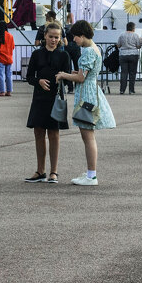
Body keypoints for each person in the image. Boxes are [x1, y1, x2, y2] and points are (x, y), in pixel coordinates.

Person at [54, 19, 115, 185]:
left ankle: (91, 175)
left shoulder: (88, 51)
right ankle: (90, 173)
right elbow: (85, 73)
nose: (74, 40)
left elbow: (81, 78)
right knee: (88, 136)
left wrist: (64, 75)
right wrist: (75, 72)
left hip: (86, 95)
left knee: (88, 137)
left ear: (82, 35)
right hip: (91, 92)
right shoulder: (94, 48)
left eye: (75, 36)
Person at [24, 21, 73, 184]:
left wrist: (62, 78)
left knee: (54, 133)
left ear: (60, 38)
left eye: (57, 37)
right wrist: (38, 81)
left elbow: (68, 79)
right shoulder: (37, 54)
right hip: (39, 98)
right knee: (38, 133)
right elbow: (29, 76)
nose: (53, 40)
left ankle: (54, 172)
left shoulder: (64, 55)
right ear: (44, 36)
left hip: (55, 97)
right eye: (51, 36)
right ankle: (40, 171)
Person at [117, 21, 142, 95]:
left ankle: (122, 90)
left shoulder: (121, 35)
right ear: (133, 28)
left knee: (124, 73)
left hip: (123, 54)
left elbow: (118, 45)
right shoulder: (136, 35)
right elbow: (138, 46)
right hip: (133, 54)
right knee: (132, 73)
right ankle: (131, 90)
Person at [0, 19, 15, 96]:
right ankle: (9, 91)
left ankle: (2, 91)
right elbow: (13, 47)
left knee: (1, 75)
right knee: (9, 75)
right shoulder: (10, 36)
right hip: (9, 58)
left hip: (0, 58)